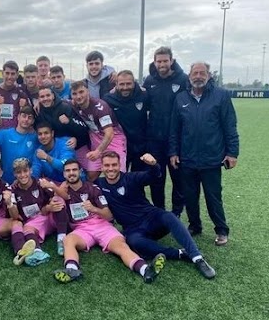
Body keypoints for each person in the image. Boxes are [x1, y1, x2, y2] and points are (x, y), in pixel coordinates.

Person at [96, 151, 216, 279]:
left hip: (151, 218)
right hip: (132, 228)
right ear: (102, 167)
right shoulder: (99, 184)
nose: (110, 168)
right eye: (107, 165)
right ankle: (180, 254)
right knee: (134, 242)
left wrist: (154, 164)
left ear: (120, 165)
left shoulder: (131, 178)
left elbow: (154, 176)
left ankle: (197, 257)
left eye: (114, 165)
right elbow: (81, 187)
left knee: (170, 216)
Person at [53, 160, 166, 284]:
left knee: (121, 247)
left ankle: (145, 270)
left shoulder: (92, 188)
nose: (71, 173)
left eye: (74, 170)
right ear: (64, 174)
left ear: (80, 172)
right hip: (82, 229)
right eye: (68, 171)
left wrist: (93, 209)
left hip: (102, 226)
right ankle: (71, 270)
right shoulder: (61, 191)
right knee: (68, 241)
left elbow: (108, 215)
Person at [169, 61, 239, 246]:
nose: (198, 76)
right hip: (187, 159)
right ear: (189, 76)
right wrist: (173, 152)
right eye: (195, 73)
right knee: (190, 196)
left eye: (202, 73)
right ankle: (194, 226)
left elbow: (230, 126)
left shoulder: (221, 96)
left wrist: (232, 153)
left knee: (213, 196)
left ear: (209, 75)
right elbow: (174, 129)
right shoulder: (181, 98)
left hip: (211, 159)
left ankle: (221, 230)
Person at [143, 47, 188, 215]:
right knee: (157, 178)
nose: (162, 64)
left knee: (178, 179)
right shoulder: (149, 80)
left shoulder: (183, 79)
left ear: (171, 61)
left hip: (176, 139)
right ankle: (159, 211)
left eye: (165, 61)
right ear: (154, 62)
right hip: (154, 139)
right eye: (159, 61)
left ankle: (176, 213)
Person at [11, 158, 68, 262]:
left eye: (25, 171)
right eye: (19, 172)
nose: (23, 175)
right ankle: (37, 252)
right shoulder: (13, 190)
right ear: (14, 174)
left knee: (58, 200)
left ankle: (61, 239)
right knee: (27, 228)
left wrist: (49, 204)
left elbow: (57, 196)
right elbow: (15, 215)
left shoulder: (40, 183)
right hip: (34, 222)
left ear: (31, 170)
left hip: (49, 216)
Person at [70, 80, 127, 182]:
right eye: (74, 94)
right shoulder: (74, 105)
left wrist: (98, 151)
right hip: (96, 138)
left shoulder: (100, 107)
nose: (78, 96)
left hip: (113, 138)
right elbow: (58, 101)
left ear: (88, 91)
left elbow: (109, 133)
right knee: (91, 175)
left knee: (118, 175)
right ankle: (95, 196)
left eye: (81, 92)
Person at [103, 70, 149, 171]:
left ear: (134, 83)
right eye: (122, 84)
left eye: (128, 84)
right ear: (116, 85)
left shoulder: (144, 95)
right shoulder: (108, 99)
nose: (125, 87)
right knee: (120, 178)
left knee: (137, 181)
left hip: (140, 145)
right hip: (120, 146)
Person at [0, 106, 39, 184]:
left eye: (30, 118)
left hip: (26, 182)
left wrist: (29, 178)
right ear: (18, 117)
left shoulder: (35, 138)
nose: (26, 119)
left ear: (33, 121)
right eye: (24, 116)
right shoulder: (5, 134)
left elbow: (37, 163)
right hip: (6, 183)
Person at [0, 61, 29, 158]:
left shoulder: (21, 93)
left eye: (13, 74)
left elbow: (27, 114)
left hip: (13, 137)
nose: (9, 77)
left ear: (17, 75)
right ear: (2, 73)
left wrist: (23, 107)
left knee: (11, 167)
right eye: (7, 73)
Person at [35, 86, 90, 152]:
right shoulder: (38, 111)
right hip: (52, 148)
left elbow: (84, 129)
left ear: (53, 96)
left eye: (48, 95)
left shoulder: (65, 107)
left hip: (73, 146)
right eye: (42, 97)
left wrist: (69, 122)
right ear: (38, 99)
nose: (45, 98)